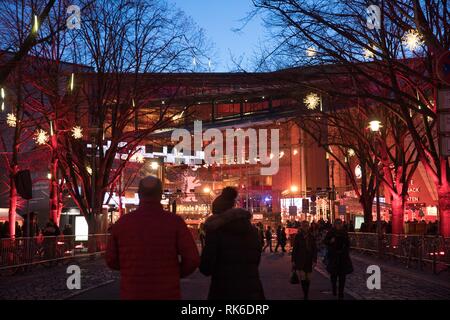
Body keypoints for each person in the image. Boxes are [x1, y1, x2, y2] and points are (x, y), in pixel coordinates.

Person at [106, 176, 200, 300]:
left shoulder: (123, 223)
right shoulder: (174, 222)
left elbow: (111, 260)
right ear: (160, 194)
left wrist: (130, 269)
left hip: (132, 292)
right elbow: (192, 259)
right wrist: (175, 273)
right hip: (167, 292)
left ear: (139, 195)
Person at [199, 187, 265, 300]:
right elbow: (255, 260)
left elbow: (206, 268)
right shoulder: (252, 231)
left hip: (224, 290)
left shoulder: (215, 231)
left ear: (216, 213)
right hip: (251, 290)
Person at [324, 219, 353, 300]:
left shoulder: (344, 232)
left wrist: (346, 249)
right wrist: (330, 241)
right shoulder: (331, 232)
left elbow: (348, 243)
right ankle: (334, 287)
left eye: (340, 223)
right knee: (333, 275)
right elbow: (325, 241)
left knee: (342, 276)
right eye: (337, 223)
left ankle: (341, 292)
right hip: (333, 256)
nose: (339, 225)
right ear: (335, 224)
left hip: (342, 256)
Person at [292, 221, 317, 300]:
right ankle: (305, 294)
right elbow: (295, 249)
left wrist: (314, 260)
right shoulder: (298, 236)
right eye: (304, 225)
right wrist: (293, 260)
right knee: (303, 277)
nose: (305, 227)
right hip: (300, 259)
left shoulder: (311, 236)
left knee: (308, 278)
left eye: (307, 225)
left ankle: (306, 292)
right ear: (302, 226)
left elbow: (314, 249)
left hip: (309, 259)